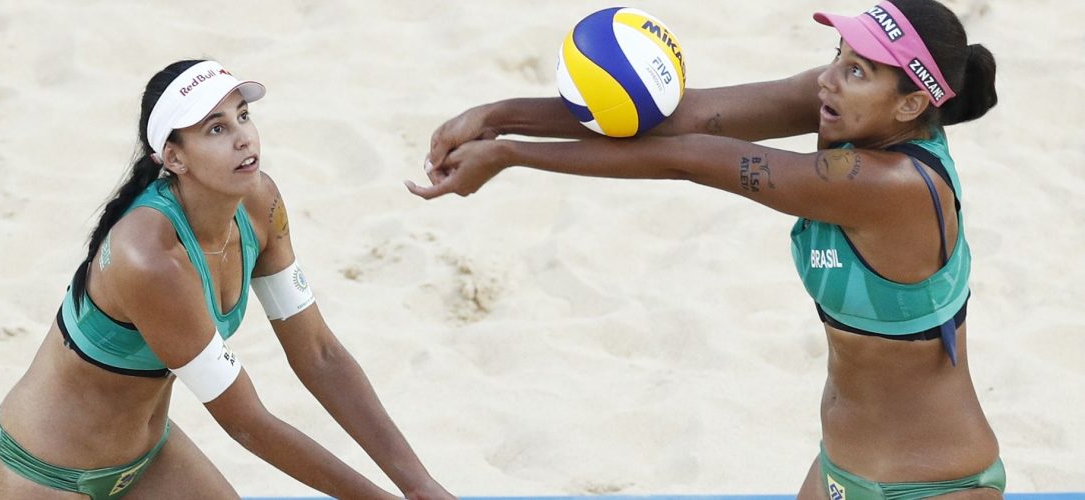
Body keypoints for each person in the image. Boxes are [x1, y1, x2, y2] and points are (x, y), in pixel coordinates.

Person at [408, 0, 1002, 497]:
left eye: (857, 71)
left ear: (911, 104)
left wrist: (511, 154)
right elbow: (681, 117)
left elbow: (685, 158)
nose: (827, 79)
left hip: (932, 484)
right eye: (836, 58)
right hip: (839, 469)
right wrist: (496, 116)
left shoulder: (890, 186)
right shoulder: (846, 108)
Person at [0, 60, 455, 500]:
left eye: (243, 116)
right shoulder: (150, 259)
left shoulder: (259, 205)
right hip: (39, 475)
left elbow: (319, 354)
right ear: (174, 158)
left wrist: (420, 485)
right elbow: (246, 421)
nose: (243, 138)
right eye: (216, 128)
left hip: (147, 459)